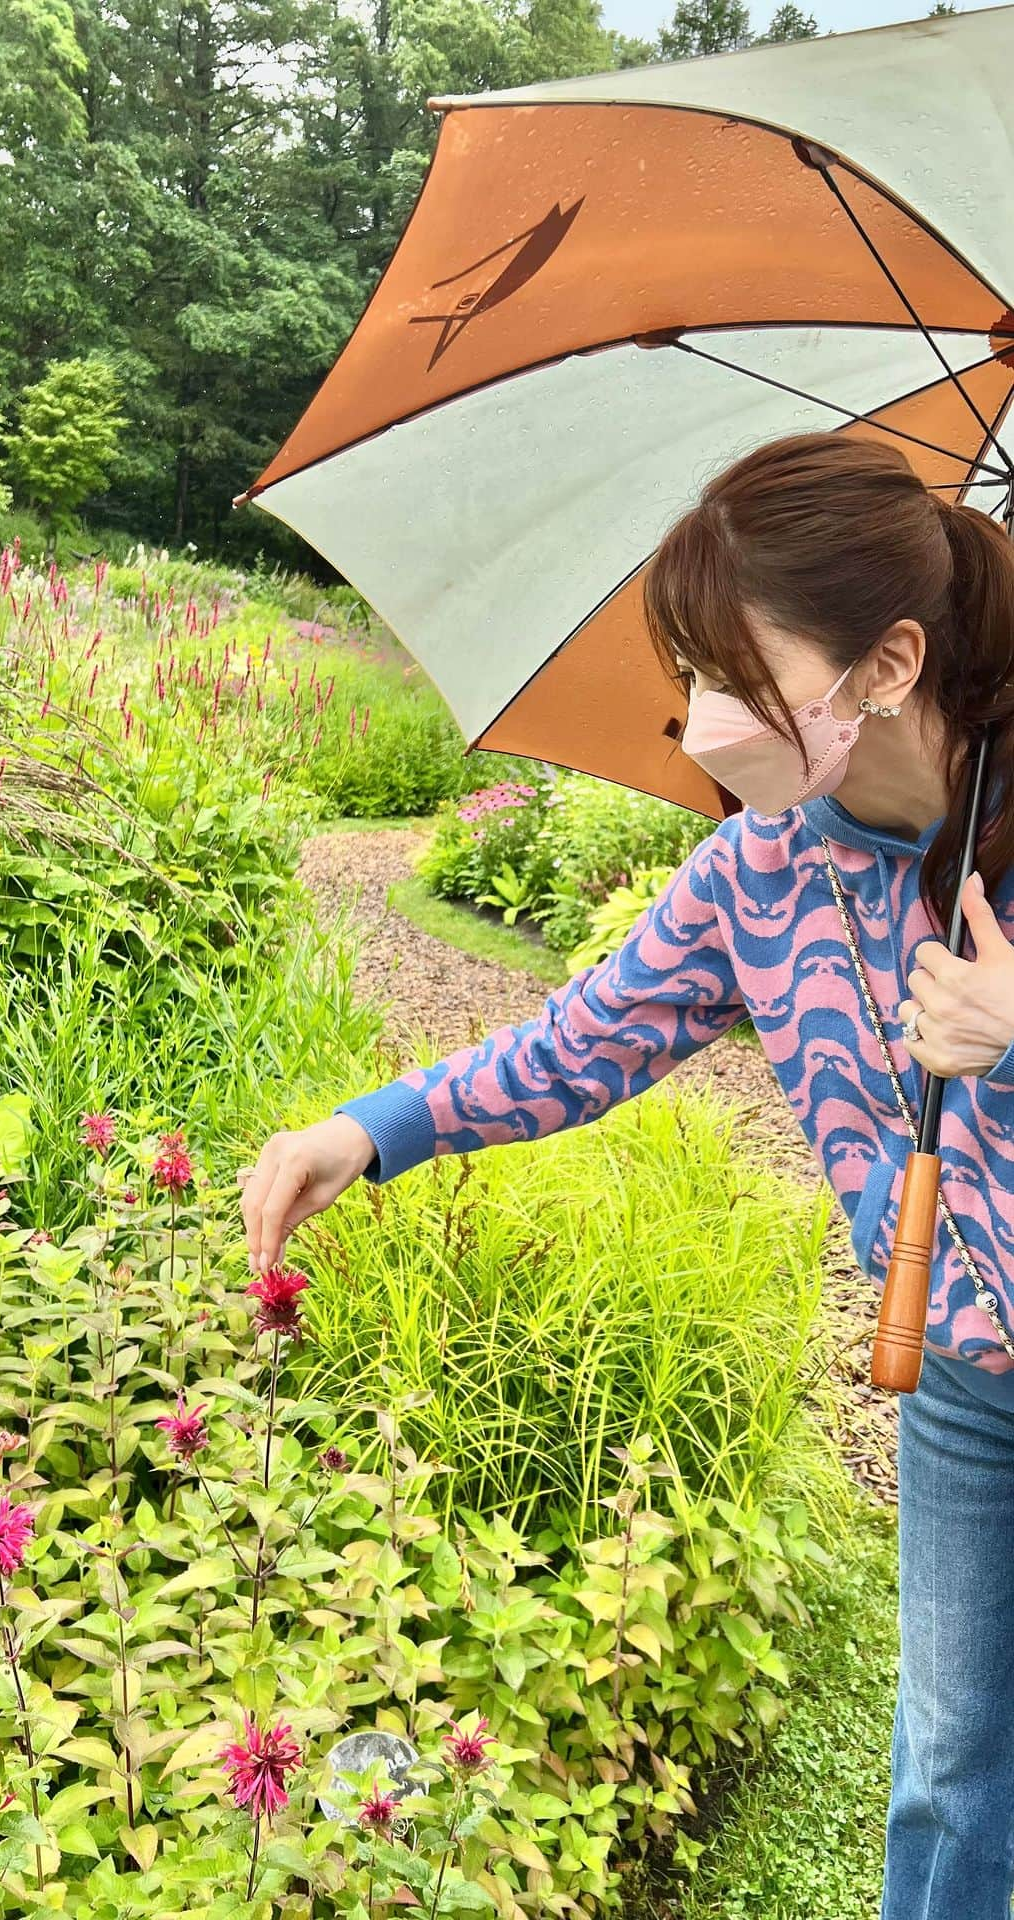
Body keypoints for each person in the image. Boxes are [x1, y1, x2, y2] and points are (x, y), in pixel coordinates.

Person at [238, 428, 1014, 1919]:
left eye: (735, 676)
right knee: (955, 1763)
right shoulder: (755, 874)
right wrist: (370, 1129)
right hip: (973, 1387)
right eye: (690, 677)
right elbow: (578, 1042)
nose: (703, 721)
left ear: (891, 662)